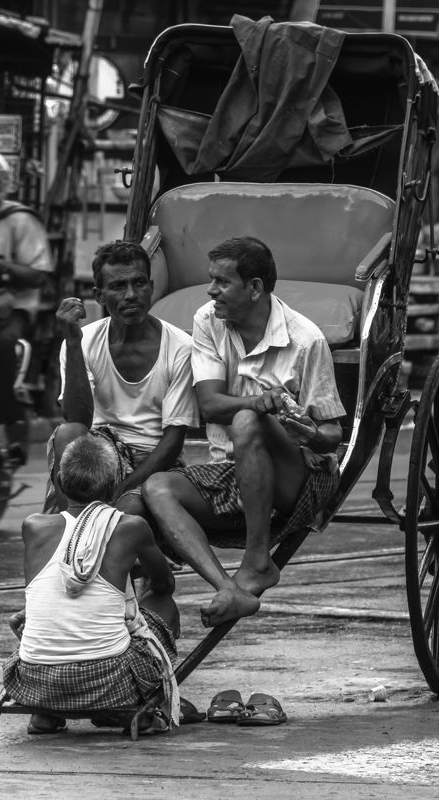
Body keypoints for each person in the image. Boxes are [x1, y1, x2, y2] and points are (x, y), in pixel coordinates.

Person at [143, 236, 345, 628]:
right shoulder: (208, 320)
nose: (211, 290)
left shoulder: (306, 340)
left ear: (254, 288)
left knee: (247, 421)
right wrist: (258, 403)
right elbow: (209, 404)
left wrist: (304, 431)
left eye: (222, 282)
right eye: (211, 280)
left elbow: (332, 434)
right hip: (233, 471)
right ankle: (228, 586)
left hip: (300, 479)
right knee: (156, 489)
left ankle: (257, 560)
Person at [3, 433, 180, 735]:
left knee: (45, 624)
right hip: (108, 682)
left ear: (59, 480)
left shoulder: (33, 526)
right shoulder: (131, 527)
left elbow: (54, 586)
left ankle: (47, 714)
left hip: (35, 682)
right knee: (163, 604)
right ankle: (144, 706)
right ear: (116, 485)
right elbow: (164, 582)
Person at [45, 239, 199, 516]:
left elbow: (173, 440)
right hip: (100, 455)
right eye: (118, 286)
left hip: (153, 462)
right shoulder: (85, 340)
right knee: (67, 433)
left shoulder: (180, 347)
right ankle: (72, 527)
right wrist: (72, 343)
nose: (131, 295)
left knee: (129, 509)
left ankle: (87, 528)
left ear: (151, 287)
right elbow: (77, 418)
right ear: (99, 295)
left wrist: (120, 492)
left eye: (139, 283)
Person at [0, 147, 54, 464]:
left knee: (2, 347)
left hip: (13, 310)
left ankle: (12, 430)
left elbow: (37, 275)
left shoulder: (18, 219)